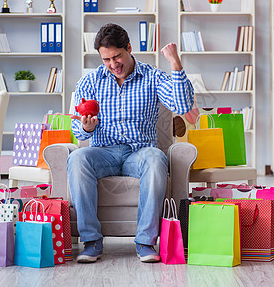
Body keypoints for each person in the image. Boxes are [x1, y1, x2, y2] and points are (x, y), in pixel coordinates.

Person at [68, 23, 194, 263]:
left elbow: (183, 106)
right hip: (102, 152)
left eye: (117, 56)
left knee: (157, 158)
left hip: (139, 153)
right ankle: (92, 241)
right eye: (106, 59)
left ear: (129, 48)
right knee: (76, 158)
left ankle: (146, 242)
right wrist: (87, 126)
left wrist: (176, 64)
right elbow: (79, 132)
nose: (113, 64)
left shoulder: (152, 76)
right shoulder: (90, 81)